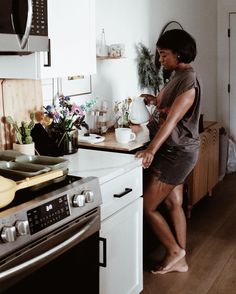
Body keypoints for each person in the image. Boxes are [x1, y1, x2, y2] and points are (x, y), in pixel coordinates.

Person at [134, 29, 202, 274]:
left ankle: (175, 251)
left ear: (178, 53)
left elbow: (172, 121)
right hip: (179, 149)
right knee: (174, 203)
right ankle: (180, 258)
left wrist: (151, 149)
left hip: (177, 152)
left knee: (146, 207)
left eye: (164, 55)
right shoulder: (178, 76)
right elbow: (168, 108)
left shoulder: (188, 82)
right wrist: (154, 101)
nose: (160, 60)